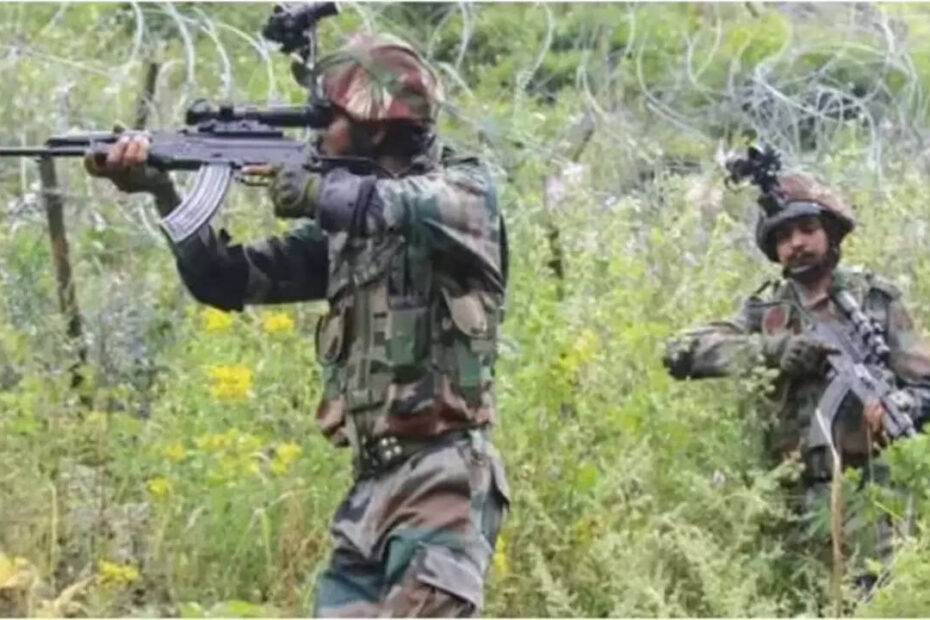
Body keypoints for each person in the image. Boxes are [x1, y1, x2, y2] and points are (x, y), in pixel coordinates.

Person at [84, 32, 510, 617]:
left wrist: (314, 189)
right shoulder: (348, 237)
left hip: (442, 481)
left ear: (376, 127)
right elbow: (225, 280)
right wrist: (163, 191)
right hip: (371, 491)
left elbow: (389, 204)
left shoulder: (464, 195)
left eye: (327, 119)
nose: (315, 135)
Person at [663, 154, 930, 592]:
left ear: (830, 232)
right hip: (788, 500)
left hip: (871, 497)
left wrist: (901, 403)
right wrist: (772, 350)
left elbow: (924, 382)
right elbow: (680, 351)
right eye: (784, 237)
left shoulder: (875, 300)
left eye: (807, 229)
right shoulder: (767, 311)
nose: (797, 244)